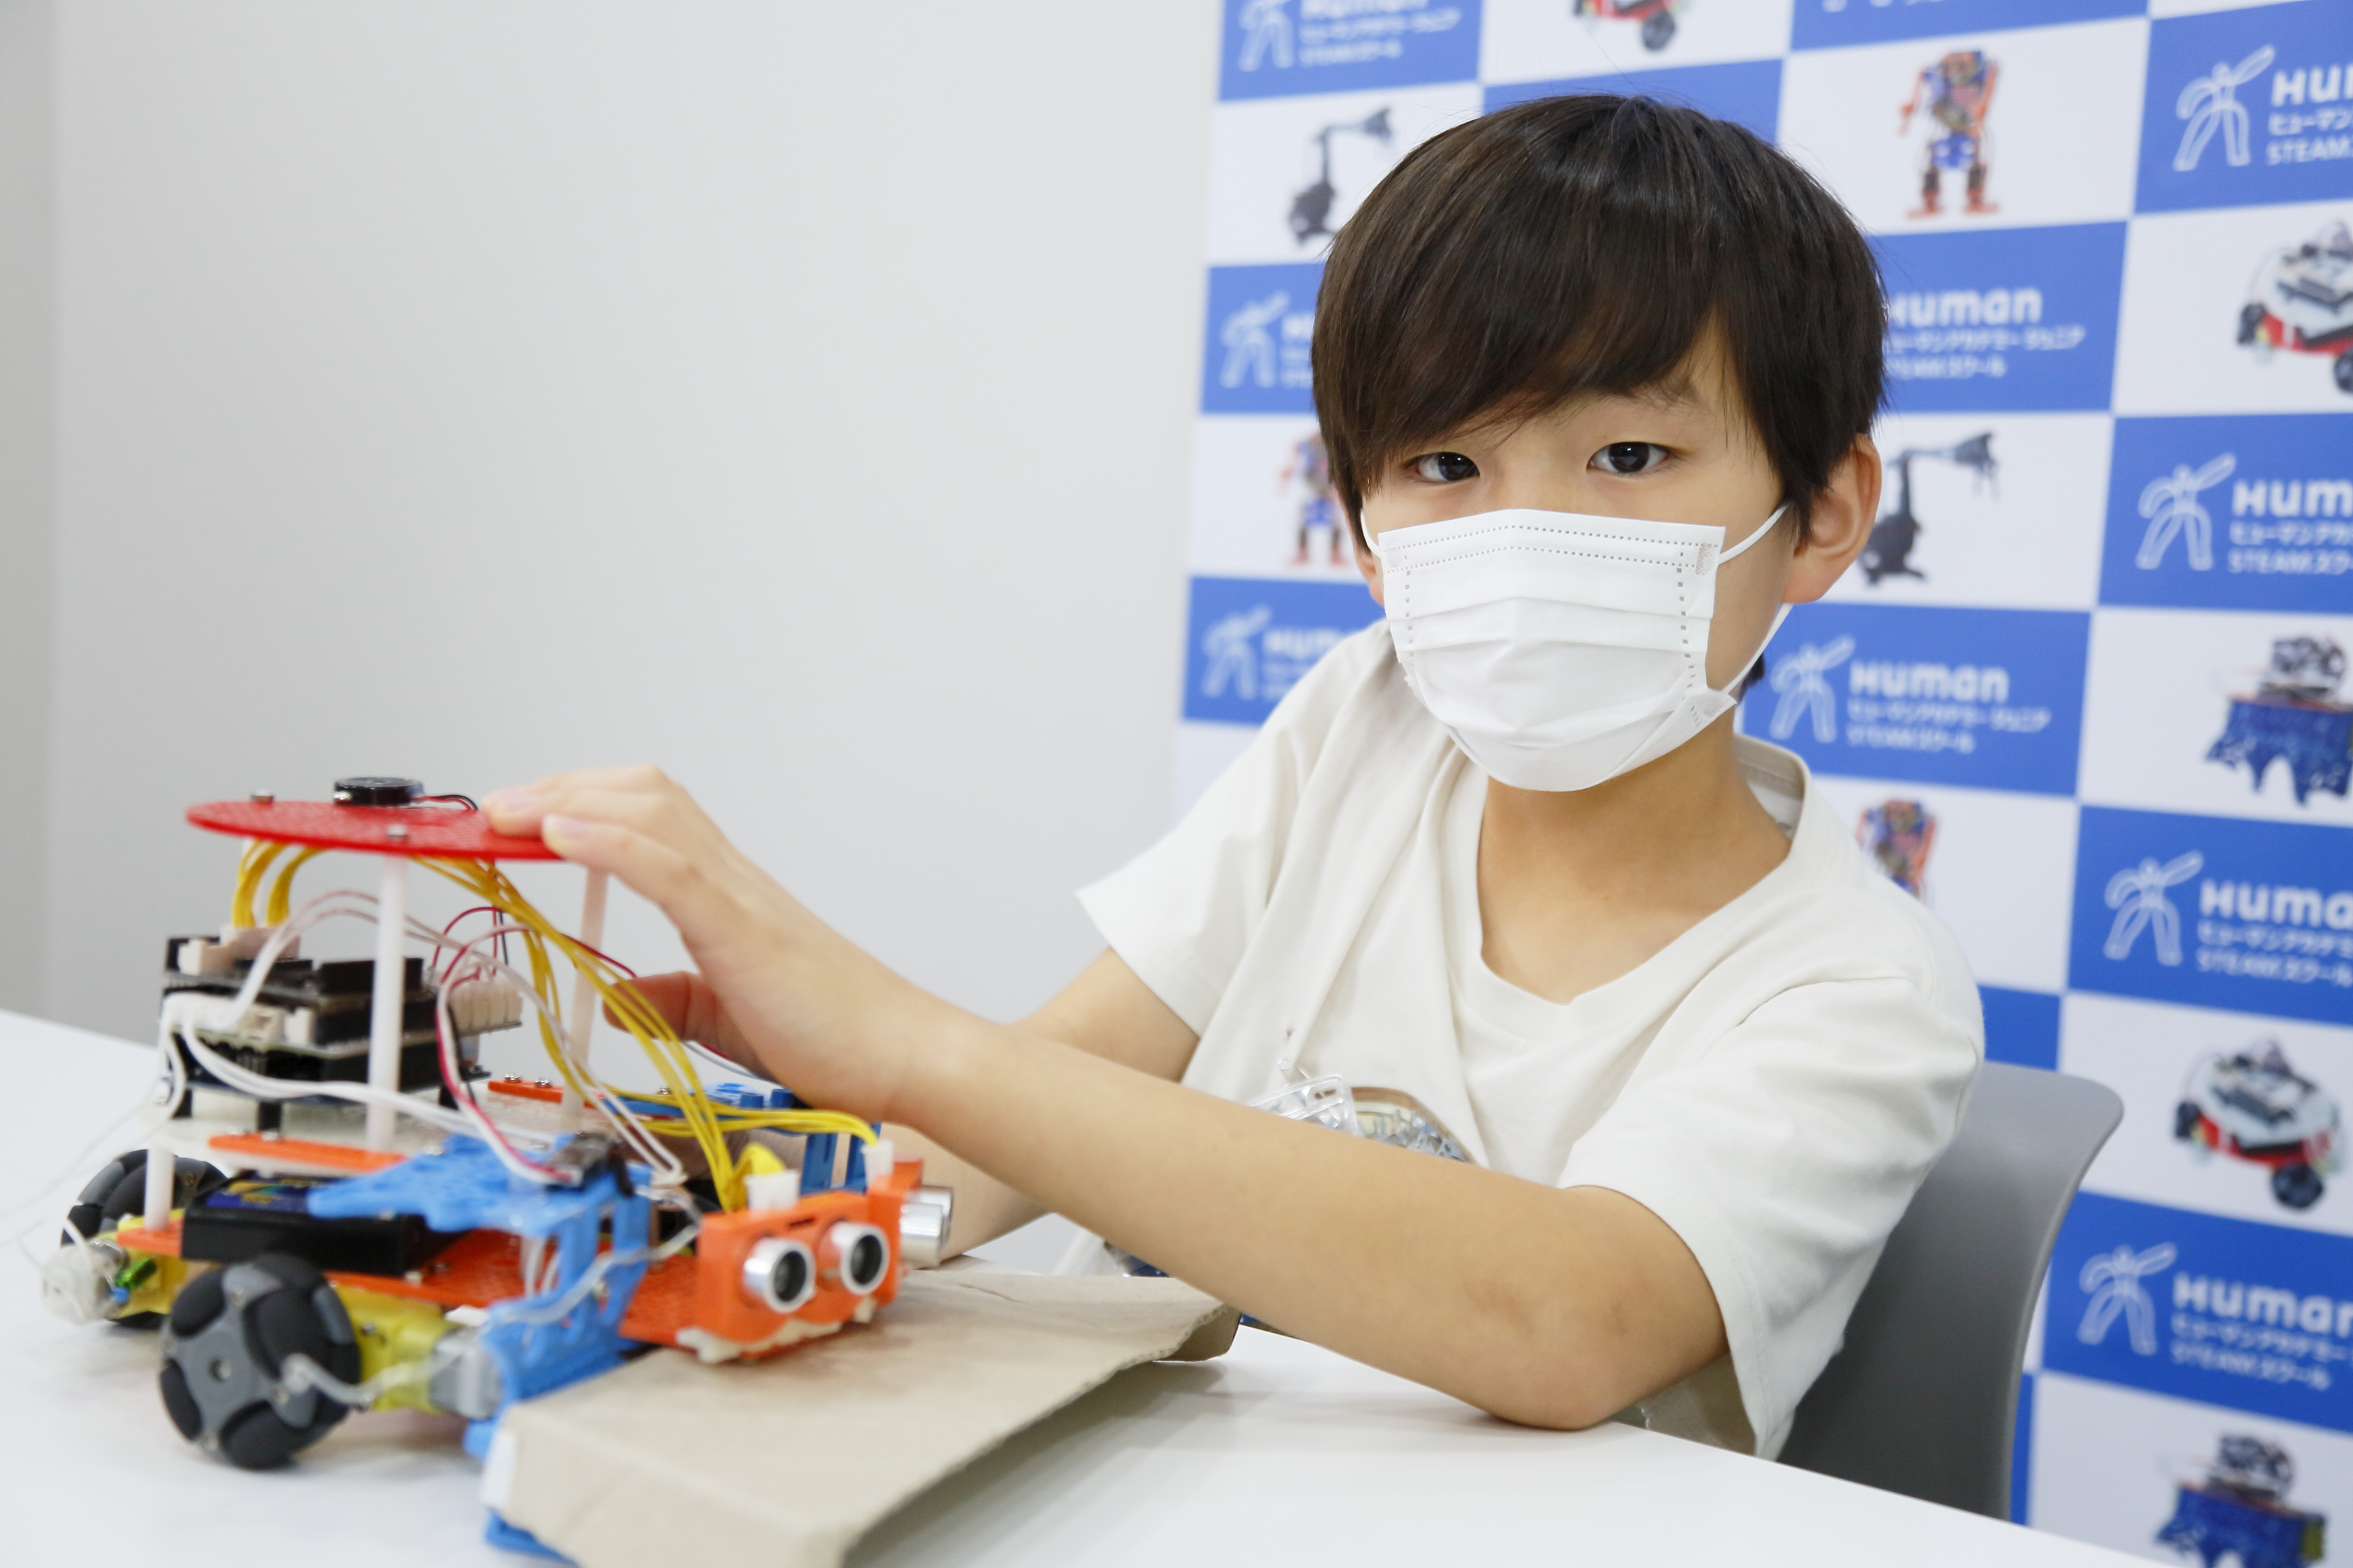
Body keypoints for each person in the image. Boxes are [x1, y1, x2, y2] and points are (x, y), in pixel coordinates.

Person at [483, 96, 1981, 1460]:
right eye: (1447, 470)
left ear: (1825, 513)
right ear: (1359, 526)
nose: (1522, 535)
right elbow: (1037, 1110)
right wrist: (729, 1178)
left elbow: (1569, 1318)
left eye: (1630, 455)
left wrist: (903, 1041)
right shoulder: (1367, 719)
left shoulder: (1854, 984)